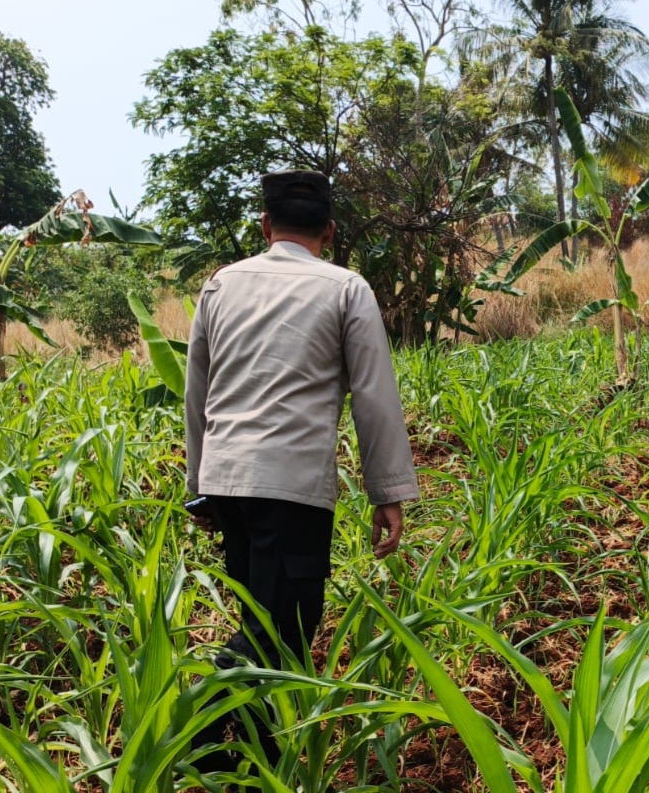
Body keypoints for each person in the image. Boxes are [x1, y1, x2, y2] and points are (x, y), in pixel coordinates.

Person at [183, 169, 420, 783]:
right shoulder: (345, 288)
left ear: (266, 226)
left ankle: (252, 758)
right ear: (330, 232)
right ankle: (194, 729)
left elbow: (197, 393)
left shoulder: (220, 285)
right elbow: (374, 395)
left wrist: (198, 487)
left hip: (227, 481)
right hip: (291, 490)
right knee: (282, 633)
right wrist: (388, 492)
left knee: (260, 620)